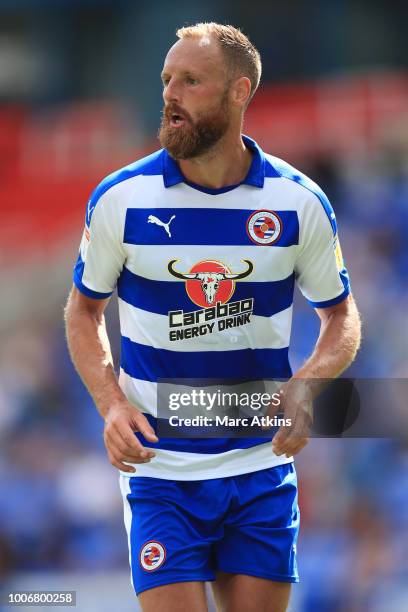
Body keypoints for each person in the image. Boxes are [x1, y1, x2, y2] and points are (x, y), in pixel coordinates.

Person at [65, 22, 361, 612]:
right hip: (162, 470)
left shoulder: (298, 202)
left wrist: (307, 386)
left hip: (259, 467)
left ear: (239, 92)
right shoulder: (122, 199)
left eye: (190, 81)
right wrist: (111, 404)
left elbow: (342, 317)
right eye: (166, 80)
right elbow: (83, 310)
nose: (170, 94)